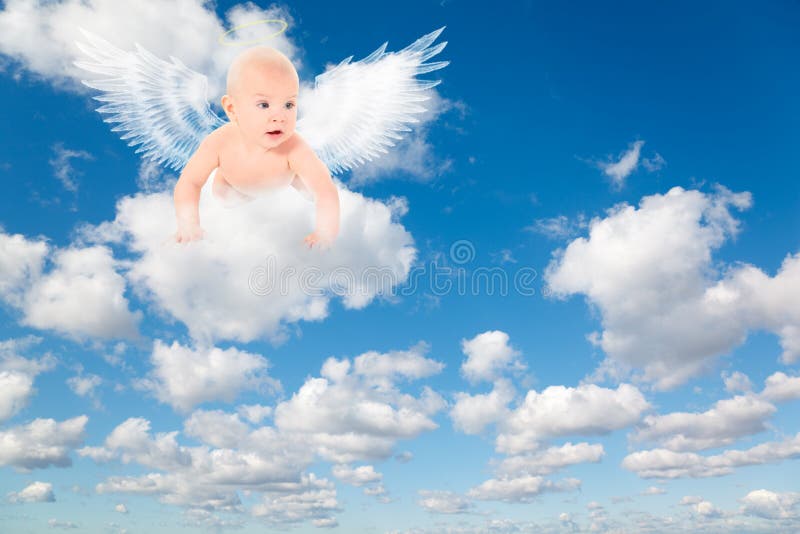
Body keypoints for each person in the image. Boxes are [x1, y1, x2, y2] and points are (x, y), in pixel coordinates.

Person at [172, 46, 340, 248]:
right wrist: (188, 224)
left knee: (313, 192)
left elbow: (326, 189)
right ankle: (239, 194)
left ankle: (293, 181)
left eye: (289, 105)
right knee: (222, 197)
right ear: (232, 109)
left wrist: (326, 232)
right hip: (234, 185)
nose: (279, 117)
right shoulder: (219, 142)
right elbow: (189, 182)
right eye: (264, 105)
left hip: (283, 180)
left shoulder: (295, 148)